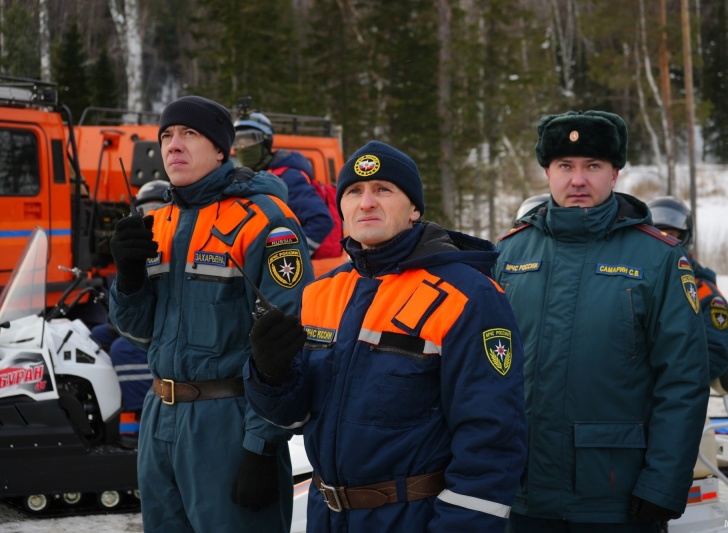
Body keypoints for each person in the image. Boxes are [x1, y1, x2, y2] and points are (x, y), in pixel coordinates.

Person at [243, 140, 527, 532]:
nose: (366, 202)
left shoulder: (467, 296)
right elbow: (298, 416)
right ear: (341, 207)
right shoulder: (320, 293)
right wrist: (269, 375)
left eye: (383, 189)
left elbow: (492, 436)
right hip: (327, 517)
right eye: (355, 191)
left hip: (413, 517)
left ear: (414, 209)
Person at [493, 110, 710, 532]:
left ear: (615, 173)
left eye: (592, 166)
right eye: (565, 166)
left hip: (616, 496)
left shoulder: (659, 258)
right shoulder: (508, 255)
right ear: (547, 172)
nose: (578, 180)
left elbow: (683, 380)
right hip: (519, 492)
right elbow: (483, 372)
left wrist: (663, 483)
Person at [108, 95, 314, 532]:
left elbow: (289, 345)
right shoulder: (157, 224)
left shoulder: (265, 222)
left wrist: (262, 447)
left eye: (189, 134)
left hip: (227, 424)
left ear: (221, 149)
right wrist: (127, 278)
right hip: (159, 418)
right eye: (166, 136)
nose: (173, 145)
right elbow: (138, 333)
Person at [91, 180, 170, 413]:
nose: (149, 215)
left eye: (157, 209)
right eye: (143, 210)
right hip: (141, 313)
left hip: (159, 321)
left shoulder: (173, 241)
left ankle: (136, 414)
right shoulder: (135, 242)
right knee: (94, 335)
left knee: (121, 349)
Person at [648, 195, 728, 381]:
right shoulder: (633, 283)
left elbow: (714, 356)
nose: (662, 241)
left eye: (669, 235)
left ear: (684, 238)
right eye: (655, 235)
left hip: (670, 391)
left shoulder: (705, 295)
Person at [233, 111, 336, 258]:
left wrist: (291, 256)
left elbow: (321, 221)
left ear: (265, 142)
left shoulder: (288, 177)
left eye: (249, 141)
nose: (242, 147)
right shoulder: (254, 177)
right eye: (237, 142)